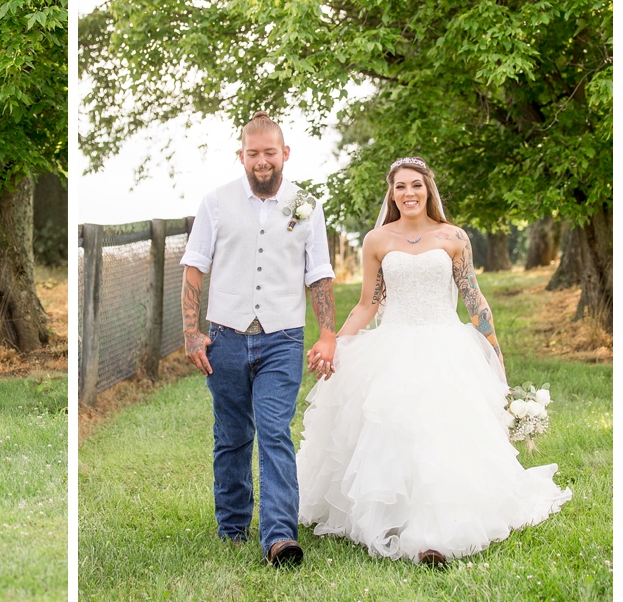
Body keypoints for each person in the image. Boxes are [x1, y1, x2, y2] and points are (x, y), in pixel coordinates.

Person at [296, 157, 571, 566]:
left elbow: (474, 300)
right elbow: (367, 306)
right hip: (392, 347)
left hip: (446, 347)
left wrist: (496, 357)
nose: (409, 193)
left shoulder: (453, 236)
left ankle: (434, 535)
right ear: (391, 193)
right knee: (394, 434)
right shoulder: (377, 240)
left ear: (429, 190)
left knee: (441, 437)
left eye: (416, 186)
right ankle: (393, 516)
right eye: (401, 186)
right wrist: (333, 342)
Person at [180, 112, 337, 566]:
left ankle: (278, 536)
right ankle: (232, 527)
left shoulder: (305, 203)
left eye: (270, 152)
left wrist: (327, 333)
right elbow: (194, 267)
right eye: (254, 154)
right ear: (242, 156)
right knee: (231, 435)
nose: (262, 161)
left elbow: (319, 273)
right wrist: (192, 333)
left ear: (284, 153)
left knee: (273, 432)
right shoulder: (216, 202)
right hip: (225, 338)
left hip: (283, 338)